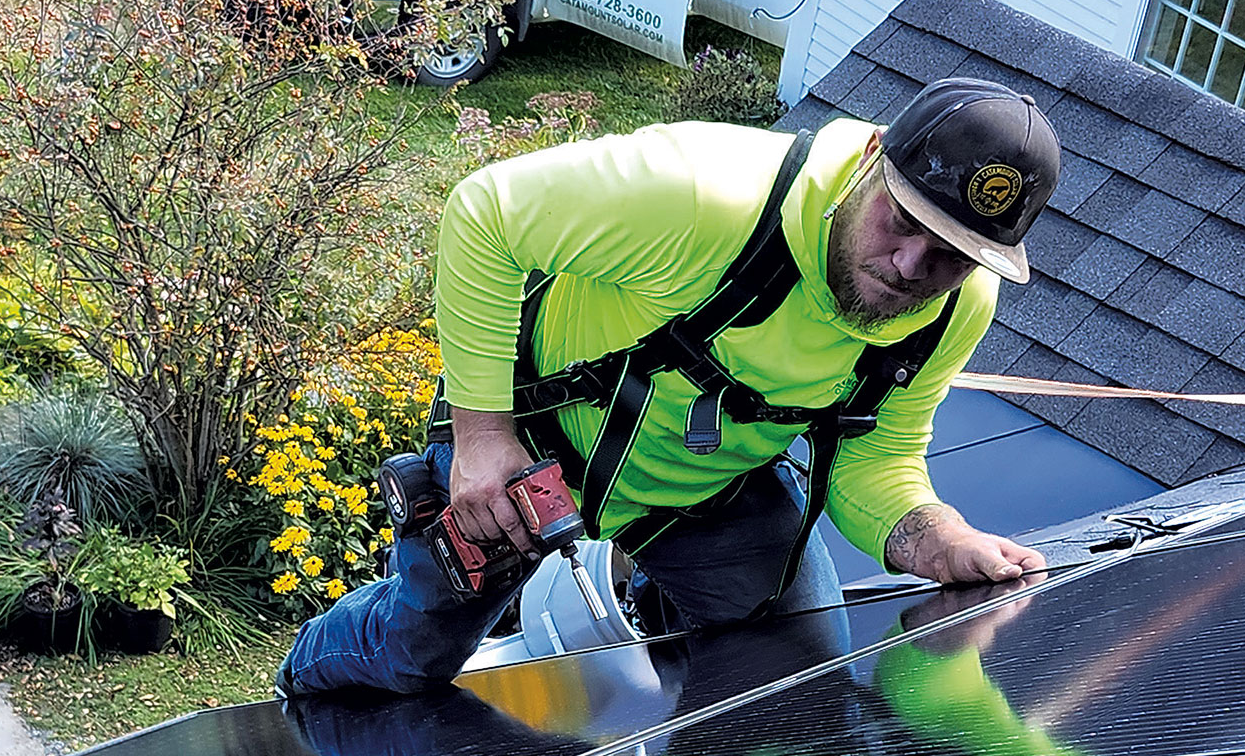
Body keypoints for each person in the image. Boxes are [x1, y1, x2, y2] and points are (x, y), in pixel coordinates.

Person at [279, 76, 1062, 697]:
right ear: (871, 157)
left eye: (950, 255)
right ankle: (292, 681)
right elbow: (484, 213)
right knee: (412, 655)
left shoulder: (955, 306)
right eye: (902, 221)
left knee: (789, 678)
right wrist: (482, 437)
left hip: (708, 481)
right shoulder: (703, 193)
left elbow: (875, 455)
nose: (908, 268)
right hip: (533, 450)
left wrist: (937, 537)